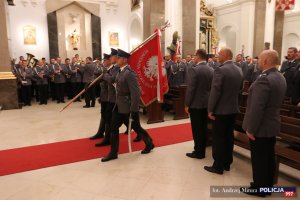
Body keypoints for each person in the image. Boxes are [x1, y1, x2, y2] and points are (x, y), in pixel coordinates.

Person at [241, 50, 286, 197]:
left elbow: (257, 108)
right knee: (268, 156)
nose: (258, 61)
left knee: (259, 157)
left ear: (266, 61)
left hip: (260, 126)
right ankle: (267, 185)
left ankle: (259, 189)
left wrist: (251, 129)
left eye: (260, 58)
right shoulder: (280, 76)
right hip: (272, 123)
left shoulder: (264, 79)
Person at [101, 49, 155, 162]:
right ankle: (113, 153)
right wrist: (105, 74)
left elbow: (135, 93)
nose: (116, 59)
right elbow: (114, 81)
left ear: (124, 60)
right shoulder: (120, 71)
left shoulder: (130, 74)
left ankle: (149, 143)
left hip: (128, 107)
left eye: (119, 58)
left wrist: (134, 110)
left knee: (137, 127)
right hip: (118, 105)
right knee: (113, 128)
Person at [204, 47, 243, 175]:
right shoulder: (239, 69)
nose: (217, 55)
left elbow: (215, 92)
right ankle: (227, 163)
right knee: (228, 137)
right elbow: (239, 90)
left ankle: (218, 166)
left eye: (219, 54)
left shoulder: (220, 70)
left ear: (225, 55)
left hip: (221, 110)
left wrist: (210, 110)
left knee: (219, 138)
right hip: (233, 109)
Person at [185, 49, 213, 159]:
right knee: (204, 127)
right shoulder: (211, 69)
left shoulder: (195, 70)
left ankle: (198, 152)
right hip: (207, 103)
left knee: (197, 129)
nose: (193, 58)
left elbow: (191, 89)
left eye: (194, 56)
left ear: (198, 56)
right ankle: (203, 148)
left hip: (196, 104)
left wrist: (187, 104)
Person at [90, 53, 110, 141]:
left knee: (120, 118)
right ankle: (100, 132)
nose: (103, 62)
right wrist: (90, 83)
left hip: (110, 97)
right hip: (104, 96)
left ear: (109, 61)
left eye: (105, 60)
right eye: (103, 60)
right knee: (104, 115)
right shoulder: (103, 69)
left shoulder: (111, 70)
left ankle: (138, 132)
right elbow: (96, 77)